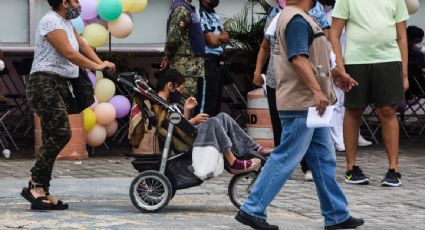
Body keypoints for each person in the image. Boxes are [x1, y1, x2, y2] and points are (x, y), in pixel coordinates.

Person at [235, 0, 364, 229]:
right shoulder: (296, 20)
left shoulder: (291, 17)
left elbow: (313, 60)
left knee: (324, 159)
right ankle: (252, 208)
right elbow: (298, 59)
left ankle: (337, 214)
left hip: (309, 106)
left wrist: (335, 74)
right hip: (302, 103)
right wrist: (317, 91)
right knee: (286, 156)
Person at [20, 0, 115, 211]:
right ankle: (35, 184)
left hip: (60, 83)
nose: (79, 4)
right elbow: (70, 53)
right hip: (44, 82)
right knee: (61, 133)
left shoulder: (65, 22)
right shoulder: (51, 21)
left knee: (52, 135)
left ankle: (41, 189)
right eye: (75, 0)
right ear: (64, 2)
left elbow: (81, 44)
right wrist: (96, 66)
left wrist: (102, 64)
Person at [330, 0, 409, 187]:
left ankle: (394, 169)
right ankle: (351, 167)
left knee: (388, 111)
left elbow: (402, 36)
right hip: (356, 60)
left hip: (389, 59)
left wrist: (404, 73)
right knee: (354, 110)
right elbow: (334, 34)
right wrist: (340, 68)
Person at [253, 0, 331, 182]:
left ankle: (335, 208)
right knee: (286, 139)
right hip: (291, 85)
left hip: (306, 85)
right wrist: (258, 70)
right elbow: (294, 56)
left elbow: (323, 48)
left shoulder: (313, 15)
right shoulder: (288, 18)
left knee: (323, 154)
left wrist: (333, 71)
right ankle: (255, 202)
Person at [153, 69, 272, 175]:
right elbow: (173, 130)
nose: (180, 92)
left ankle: (253, 148)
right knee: (214, 121)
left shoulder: (169, 104)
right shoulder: (160, 106)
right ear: (169, 85)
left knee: (223, 117)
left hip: (187, 134)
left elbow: (178, 124)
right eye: (180, 89)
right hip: (186, 141)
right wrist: (193, 121)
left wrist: (186, 110)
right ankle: (232, 162)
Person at [319, 0, 372, 152]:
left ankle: (355, 134)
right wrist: (334, 65)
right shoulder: (331, 16)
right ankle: (338, 137)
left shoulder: (357, 17)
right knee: (336, 101)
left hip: (353, 59)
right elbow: (328, 41)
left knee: (352, 101)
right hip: (337, 61)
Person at [161, 0, 205, 101]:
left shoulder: (187, 8)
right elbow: (173, 38)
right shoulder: (182, 9)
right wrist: (167, 55)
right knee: (182, 103)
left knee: (189, 104)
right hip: (185, 68)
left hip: (191, 68)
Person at [195, 0, 230, 116]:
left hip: (218, 63)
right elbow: (211, 41)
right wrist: (221, 38)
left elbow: (227, 36)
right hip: (207, 63)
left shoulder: (214, 15)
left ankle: (212, 133)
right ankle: (201, 132)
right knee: (206, 105)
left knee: (216, 104)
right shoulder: (199, 14)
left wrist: (219, 38)